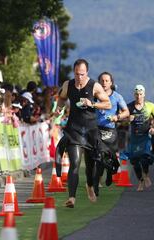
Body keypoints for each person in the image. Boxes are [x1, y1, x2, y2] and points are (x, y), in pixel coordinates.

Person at [55, 59, 111, 208]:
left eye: (82, 74)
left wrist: (92, 103)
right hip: (74, 129)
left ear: (87, 72)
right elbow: (61, 98)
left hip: (91, 130)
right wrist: (59, 108)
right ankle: (71, 198)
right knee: (74, 163)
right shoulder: (68, 84)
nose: (79, 77)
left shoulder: (95, 86)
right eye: (77, 74)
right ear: (73, 72)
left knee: (90, 166)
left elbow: (108, 103)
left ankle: (90, 185)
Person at [93, 71, 129, 196]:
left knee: (111, 157)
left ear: (111, 83)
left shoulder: (117, 96)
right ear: (98, 82)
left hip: (111, 131)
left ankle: (109, 172)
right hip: (97, 130)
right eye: (102, 80)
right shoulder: (94, 96)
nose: (104, 83)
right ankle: (95, 185)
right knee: (99, 157)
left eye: (107, 80)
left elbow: (126, 112)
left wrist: (117, 117)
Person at [127, 84, 154, 192]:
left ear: (144, 94)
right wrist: (127, 119)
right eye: (136, 94)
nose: (138, 96)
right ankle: (140, 180)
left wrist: (153, 127)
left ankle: (146, 174)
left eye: (140, 94)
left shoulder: (150, 106)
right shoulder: (129, 106)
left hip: (145, 136)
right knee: (135, 161)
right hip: (134, 137)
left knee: (145, 158)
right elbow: (123, 119)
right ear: (134, 95)